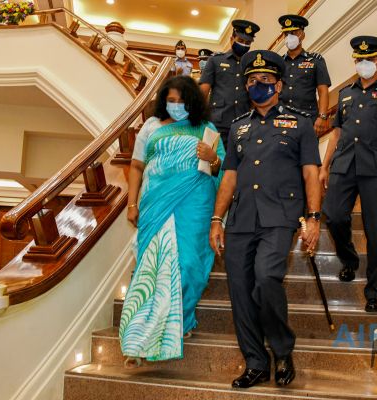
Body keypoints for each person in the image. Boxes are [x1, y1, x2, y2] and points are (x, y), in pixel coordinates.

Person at [209, 50, 322, 388]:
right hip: (241, 218)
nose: (258, 85)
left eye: (265, 80)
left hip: (280, 217)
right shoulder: (238, 127)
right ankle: (256, 362)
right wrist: (217, 219)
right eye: (252, 80)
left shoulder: (300, 124)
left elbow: (311, 174)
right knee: (240, 292)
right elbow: (229, 176)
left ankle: (282, 350)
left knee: (266, 278)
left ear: (279, 84)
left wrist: (314, 218)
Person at [120, 75, 225, 366]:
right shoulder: (151, 127)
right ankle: (139, 340)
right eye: (171, 100)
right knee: (151, 269)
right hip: (156, 205)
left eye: (182, 101)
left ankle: (181, 322)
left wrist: (212, 157)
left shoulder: (206, 129)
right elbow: (137, 166)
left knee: (189, 265)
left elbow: (223, 171)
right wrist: (131, 203)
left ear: (193, 102)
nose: (176, 105)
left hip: (195, 205)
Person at [320, 36, 377, 313]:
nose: (363, 64)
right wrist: (324, 166)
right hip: (344, 164)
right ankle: (349, 259)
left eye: (369, 59)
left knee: (376, 231)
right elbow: (336, 133)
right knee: (333, 215)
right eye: (359, 60)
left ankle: (375, 292)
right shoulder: (346, 93)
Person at [199, 19, 260, 148]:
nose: (244, 45)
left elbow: (255, 95)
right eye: (241, 40)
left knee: (240, 158)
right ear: (232, 39)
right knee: (211, 157)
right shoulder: (215, 60)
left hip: (243, 123)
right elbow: (203, 92)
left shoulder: (251, 66)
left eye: (248, 43)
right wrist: (198, 118)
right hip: (217, 122)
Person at [278, 14, 331, 136]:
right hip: (283, 120)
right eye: (286, 34)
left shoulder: (315, 60)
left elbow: (323, 91)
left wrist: (322, 116)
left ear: (302, 34)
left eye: (294, 32)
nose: (290, 37)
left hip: (308, 119)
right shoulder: (279, 63)